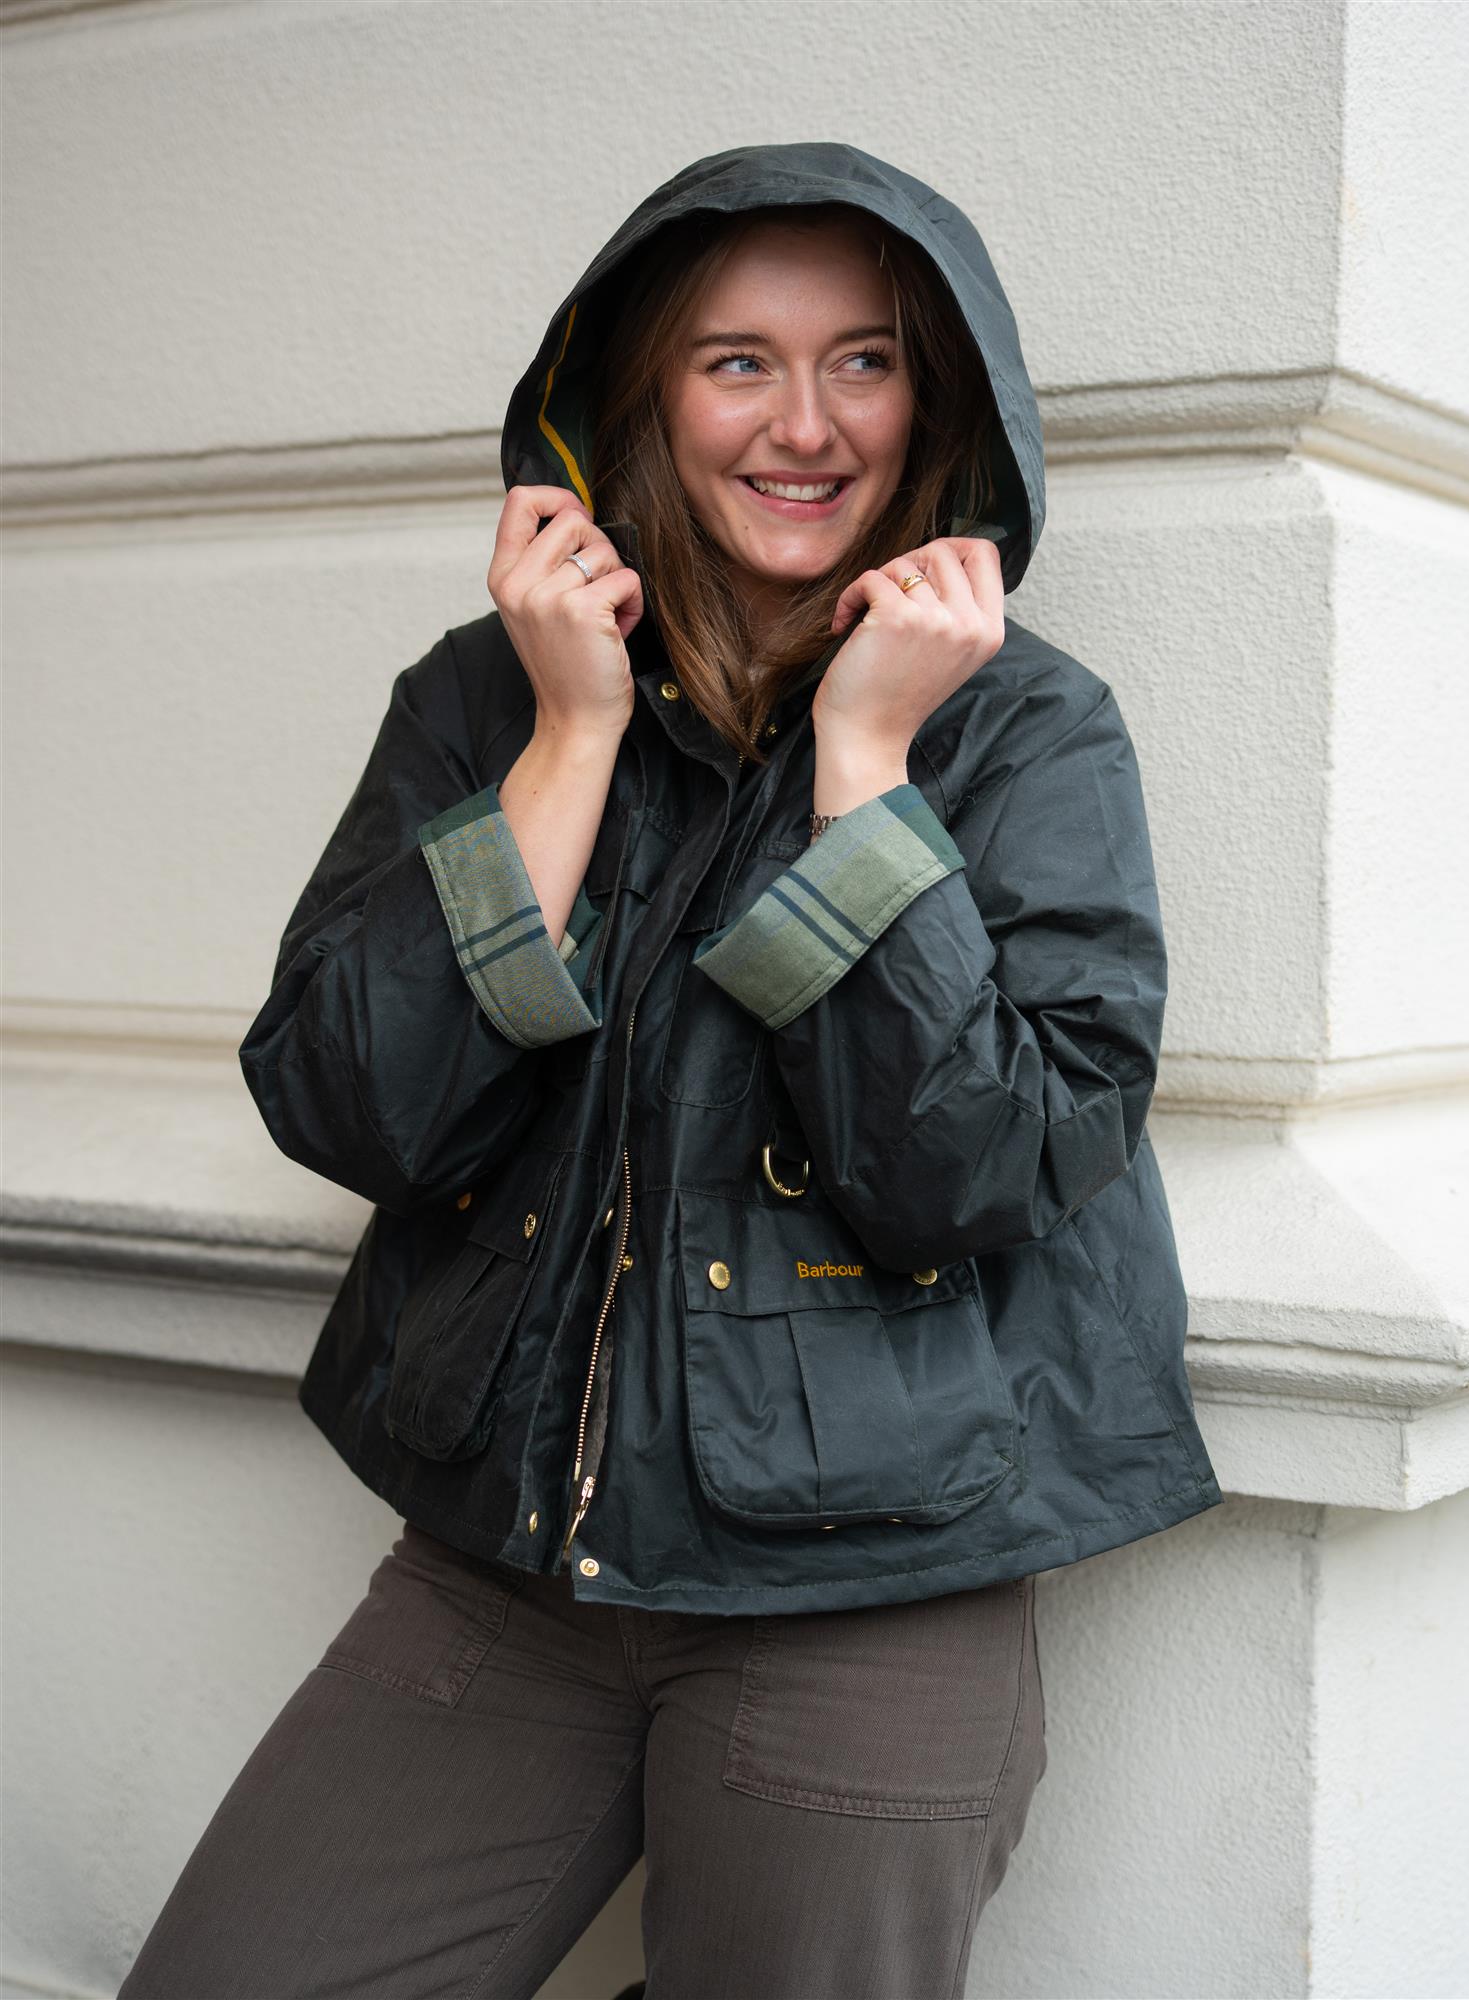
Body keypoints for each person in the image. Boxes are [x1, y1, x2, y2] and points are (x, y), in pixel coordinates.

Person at [120, 141, 1222, 2000]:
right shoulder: (484, 692)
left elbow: (975, 1169)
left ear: (938, 401)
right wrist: (567, 735)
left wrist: (867, 768)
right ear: (640, 393)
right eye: (737, 363)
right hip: (507, 1567)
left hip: (870, 1588)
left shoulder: (1027, 728)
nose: (805, 423)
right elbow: (357, 1110)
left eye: (864, 360)